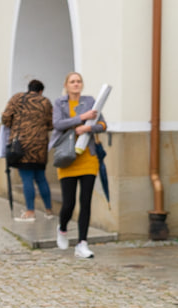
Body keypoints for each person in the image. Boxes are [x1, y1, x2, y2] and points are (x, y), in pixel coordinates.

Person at [51, 72, 107, 258]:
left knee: (85, 201)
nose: (76, 84)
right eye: (72, 81)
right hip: (67, 158)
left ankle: (82, 243)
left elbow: (103, 125)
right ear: (66, 85)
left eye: (79, 81)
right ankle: (63, 227)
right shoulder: (60, 103)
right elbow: (58, 124)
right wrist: (81, 118)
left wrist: (88, 127)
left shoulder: (90, 101)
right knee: (69, 203)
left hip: (88, 158)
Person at [1, 79, 54, 222]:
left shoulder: (17, 98)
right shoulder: (46, 102)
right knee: (41, 178)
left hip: (21, 145)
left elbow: (5, 118)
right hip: (40, 146)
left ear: (28, 88)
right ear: (41, 91)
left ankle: (30, 212)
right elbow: (50, 124)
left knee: (27, 178)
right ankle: (49, 211)